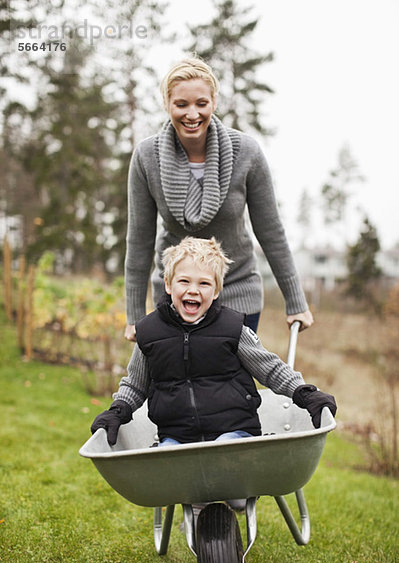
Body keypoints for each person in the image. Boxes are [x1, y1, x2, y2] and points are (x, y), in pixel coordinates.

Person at [123, 55, 313, 344]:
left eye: (201, 103)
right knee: (173, 386)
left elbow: (271, 232)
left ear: (214, 102)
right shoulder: (147, 157)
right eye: (181, 104)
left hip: (235, 293)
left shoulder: (246, 152)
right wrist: (135, 316)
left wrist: (296, 302)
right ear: (167, 105)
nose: (192, 114)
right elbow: (139, 240)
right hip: (175, 296)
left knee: (228, 387)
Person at [92, 237, 336, 448]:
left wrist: (305, 394)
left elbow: (270, 369)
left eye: (204, 283)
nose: (193, 290)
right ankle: (204, 499)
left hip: (234, 431)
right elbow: (135, 385)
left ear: (217, 290)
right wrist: (117, 411)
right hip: (177, 438)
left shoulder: (231, 329)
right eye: (184, 281)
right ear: (168, 284)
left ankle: (226, 495)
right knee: (168, 460)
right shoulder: (150, 333)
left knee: (223, 452)